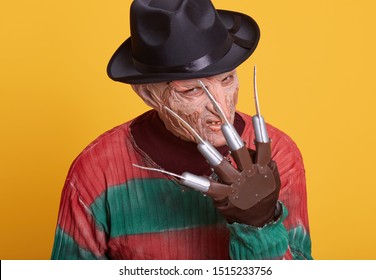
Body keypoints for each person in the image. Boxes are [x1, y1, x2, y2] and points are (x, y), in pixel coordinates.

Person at [51, 0, 313, 260]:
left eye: (227, 79)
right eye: (192, 90)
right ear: (149, 95)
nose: (222, 108)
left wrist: (260, 224)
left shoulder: (277, 152)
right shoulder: (97, 171)